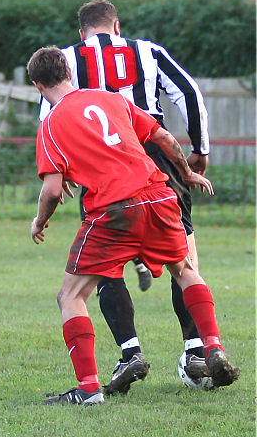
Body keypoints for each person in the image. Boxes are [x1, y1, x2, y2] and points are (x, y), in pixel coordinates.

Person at [27, 46, 239, 405]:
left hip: (113, 210)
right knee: (185, 270)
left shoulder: (51, 124)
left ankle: (90, 389)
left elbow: (50, 190)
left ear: (37, 85)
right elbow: (164, 138)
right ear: (68, 71)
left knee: (71, 295)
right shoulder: (110, 98)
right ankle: (213, 348)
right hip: (159, 195)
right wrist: (186, 173)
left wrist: (39, 220)